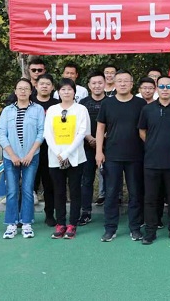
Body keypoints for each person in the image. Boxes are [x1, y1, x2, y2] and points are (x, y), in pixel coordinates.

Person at [96, 70, 146, 242]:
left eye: (126, 81)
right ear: (114, 83)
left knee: (136, 194)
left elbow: (145, 129)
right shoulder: (107, 103)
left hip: (136, 156)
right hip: (112, 155)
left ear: (132, 84)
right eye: (119, 81)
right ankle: (110, 228)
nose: (123, 84)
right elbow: (100, 128)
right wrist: (99, 151)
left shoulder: (140, 103)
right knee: (111, 194)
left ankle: (135, 228)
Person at [138, 75, 170, 245]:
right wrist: (153, 144)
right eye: (162, 86)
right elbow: (142, 131)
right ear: (156, 89)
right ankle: (150, 231)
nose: (165, 89)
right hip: (151, 162)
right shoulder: (147, 109)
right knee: (150, 198)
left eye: (168, 86)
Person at [0, 78, 45, 239]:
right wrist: (12, 155)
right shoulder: (7, 111)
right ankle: (11, 224)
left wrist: (30, 154)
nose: (23, 91)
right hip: (10, 157)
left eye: (26, 88)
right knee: (12, 191)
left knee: (27, 190)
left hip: (31, 157)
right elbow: (1, 134)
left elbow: (41, 132)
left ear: (31, 91)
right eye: (20, 88)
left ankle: (26, 223)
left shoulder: (37, 109)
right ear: (15, 91)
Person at [43, 78, 89, 239]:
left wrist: (67, 153)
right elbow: (47, 133)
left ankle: (72, 224)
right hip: (55, 157)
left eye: (69, 89)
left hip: (76, 157)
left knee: (75, 191)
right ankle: (60, 223)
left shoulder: (81, 109)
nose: (66, 92)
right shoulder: (52, 110)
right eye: (63, 89)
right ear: (58, 92)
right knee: (59, 192)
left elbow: (82, 132)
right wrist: (58, 153)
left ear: (74, 92)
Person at [78, 71, 106, 225]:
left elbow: (114, 123)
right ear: (89, 85)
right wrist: (90, 138)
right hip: (87, 146)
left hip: (108, 147)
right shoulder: (82, 103)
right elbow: (78, 124)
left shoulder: (111, 101)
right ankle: (86, 212)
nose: (97, 86)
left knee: (111, 180)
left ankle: (110, 212)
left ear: (105, 84)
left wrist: (102, 138)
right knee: (86, 180)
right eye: (94, 83)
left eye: (100, 83)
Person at [32, 73, 59, 227]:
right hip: (32, 150)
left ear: (52, 87)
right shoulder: (30, 102)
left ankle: (49, 215)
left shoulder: (57, 104)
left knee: (50, 185)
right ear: (36, 86)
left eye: (48, 84)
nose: (44, 86)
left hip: (51, 150)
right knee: (29, 185)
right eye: (41, 83)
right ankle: (25, 215)